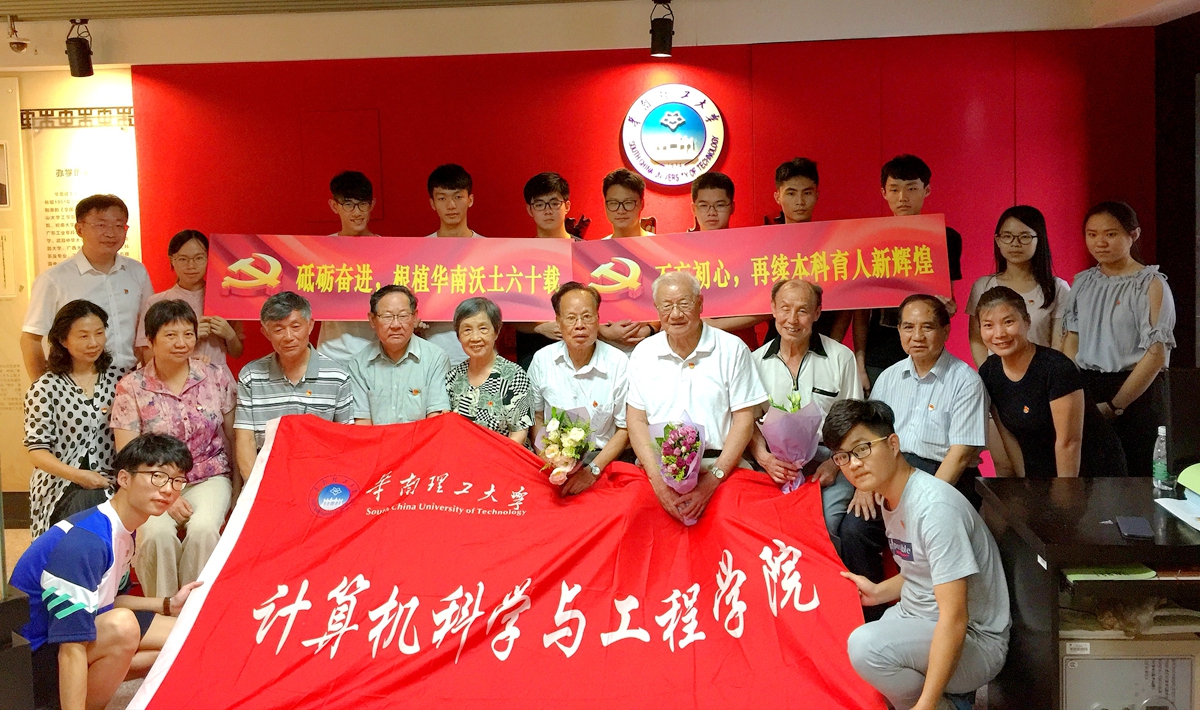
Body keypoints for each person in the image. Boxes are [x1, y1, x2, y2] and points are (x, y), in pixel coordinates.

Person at [829, 400, 1009, 710]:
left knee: (866, 648)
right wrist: (878, 592)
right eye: (843, 457)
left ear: (893, 444)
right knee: (851, 650)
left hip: (974, 640)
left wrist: (925, 703)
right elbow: (922, 571)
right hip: (920, 617)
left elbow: (955, 617)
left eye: (862, 449)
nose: (854, 464)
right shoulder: (892, 496)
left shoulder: (934, 509)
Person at [10, 433, 202, 710]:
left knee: (188, 636)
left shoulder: (122, 529)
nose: (168, 489)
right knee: (122, 627)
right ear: (124, 479)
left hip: (68, 637)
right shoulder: (86, 542)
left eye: (177, 480)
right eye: (157, 476)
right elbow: (71, 647)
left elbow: (109, 600)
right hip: (32, 663)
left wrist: (168, 604)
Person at [844, 295, 987, 610]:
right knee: (854, 528)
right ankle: (874, 614)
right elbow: (869, 438)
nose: (917, 336)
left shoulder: (966, 381)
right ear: (898, 331)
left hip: (943, 477)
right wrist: (865, 484)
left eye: (927, 327)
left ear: (945, 331)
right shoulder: (888, 377)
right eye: (908, 327)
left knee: (926, 530)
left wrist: (923, 502)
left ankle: (930, 613)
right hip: (891, 473)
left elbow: (960, 455)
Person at [110, 300, 236, 598]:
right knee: (157, 536)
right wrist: (168, 495)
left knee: (204, 530)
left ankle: (195, 609)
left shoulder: (215, 376)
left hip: (208, 475)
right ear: (150, 340)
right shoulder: (132, 386)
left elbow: (233, 435)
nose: (181, 343)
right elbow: (129, 453)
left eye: (188, 334)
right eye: (170, 335)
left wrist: (239, 488)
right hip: (153, 481)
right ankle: (164, 610)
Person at [626, 271, 768, 523]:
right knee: (634, 518)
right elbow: (636, 420)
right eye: (667, 306)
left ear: (700, 304)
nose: (676, 314)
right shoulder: (643, 353)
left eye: (684, 304)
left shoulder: (732, 349)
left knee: (735, 520)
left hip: (720, 467)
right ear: (656, 309)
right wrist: (658, 482)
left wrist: (712, 482)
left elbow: (744, 420)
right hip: (657, 471)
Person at [749, 279, 863, 559]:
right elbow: (746, 422)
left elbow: (855, 423)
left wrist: (835, 463)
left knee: (825, 523)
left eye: (802, 310)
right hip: (772, 463)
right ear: (773, 309)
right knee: (761, 523)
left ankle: (829, 583)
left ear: (817, 312)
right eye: (785, 308)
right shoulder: (754, 362)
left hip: (829, 461)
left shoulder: (841, 358)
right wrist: (764, 458)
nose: (792, 319)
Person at [1064, 201, 1176, 478]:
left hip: (1137, 393)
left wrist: (1116, 406)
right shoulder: (1083, 282)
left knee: (1136, 479)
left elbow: (1156, 354)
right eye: (1092, 234)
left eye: (1111, 234)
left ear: (1133, 234)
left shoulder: (1151, 284)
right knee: (1090, 481)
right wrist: (1073, 391)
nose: (1100, 242)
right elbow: (1071, 339)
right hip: (1088, 389)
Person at [977, 286, 1126, 478]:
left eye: (1008, 322)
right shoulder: (989, 372)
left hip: (1092, 473)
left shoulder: (1056, 368)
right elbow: (1008, 435)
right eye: (988, 325)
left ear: (1027, 321)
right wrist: (1025, 482)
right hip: (1041, 472)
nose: (999, 334)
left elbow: (1069, 443)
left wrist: (1065, 492)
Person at [853, 155, 964, 392]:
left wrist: (949, 307)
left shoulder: (947, 239)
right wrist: (859, 364)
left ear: (927, 190)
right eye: (894, 189)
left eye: (911, 188)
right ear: (884, 192)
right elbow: (861, 311)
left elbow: (947, 300)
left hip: (927, 349)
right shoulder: (870, 239)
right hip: (879, 353)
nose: (902, 197)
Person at [21, 194, 152, 379]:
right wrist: (43, 387)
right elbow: (31, 339)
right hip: (76, 381)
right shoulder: (53, 279)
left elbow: (149, 330)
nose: (111, 233)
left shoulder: (137, 272)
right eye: (101, 225)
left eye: (118, 225)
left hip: (130, 379)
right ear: (79, 229)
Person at [25, 300, 121, 538]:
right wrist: (79, 475)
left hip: (113, 480)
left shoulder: (121, 379)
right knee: (89, 510)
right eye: (83, 335)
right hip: (61, 484)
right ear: (63, 340)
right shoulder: (45, 388)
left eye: (99, 333)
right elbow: (37, 452)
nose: (94, 343)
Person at [234, 292, 354, 478]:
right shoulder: (251, 377)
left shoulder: (337, 376)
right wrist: (256, 488)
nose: (288, 337)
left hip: (320, 476)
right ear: (266, 333)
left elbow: (346, 440)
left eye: (295, 327)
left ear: (310, 325)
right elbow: (245, 441)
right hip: (267, 475)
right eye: (278, 329)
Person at [527, 282, 630, 495]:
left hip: (603, 462)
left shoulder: (618, 363)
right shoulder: (542, 360)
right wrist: (547, 458)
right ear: (558, 321)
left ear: (598, 319)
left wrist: (593, 471)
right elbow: (537, 416)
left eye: (587, 316)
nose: (580, 325)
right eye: (571, 318)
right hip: (553, 461)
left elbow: (624, 429)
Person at [967, 206, 1069, 365]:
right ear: (997, 240)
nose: (1015, 243)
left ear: (1039, 240)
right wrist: (988, 374)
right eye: (1007, 236)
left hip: (1042, 374)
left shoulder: (1058, 288)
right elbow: (977, 340)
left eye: (1024, 237)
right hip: (997, 376)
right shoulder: (982, 286)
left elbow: (1059, 344)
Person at [764, 158, 849, 344]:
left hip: (823, 340)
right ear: (777, 196)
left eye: (807, 193)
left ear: (817, 195)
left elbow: (847, 304)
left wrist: (832, 346)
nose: (800, 201)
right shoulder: (765, 246)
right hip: (778, 341)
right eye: (791, 193)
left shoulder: (834, 243)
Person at [136, 230, 244, 375]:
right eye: (183, 259)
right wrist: (189, 336)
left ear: (208, 258)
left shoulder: (224, 297)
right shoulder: (157, 302)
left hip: (219, 378)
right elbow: (148, 356)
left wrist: (230, 335)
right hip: (175, 377)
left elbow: (237, 352)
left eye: (199, 258)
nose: (191, 265)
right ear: (172, 260)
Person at [347, 285, 450, 425]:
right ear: (372, 320)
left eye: (403, 316)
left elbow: (435, 420)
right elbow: (362, 423)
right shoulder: (359, 364)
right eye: (387, 316)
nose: (395, 325)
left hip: (421, 439)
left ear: (414, 317)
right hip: (376, 439)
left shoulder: (435, 358)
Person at [690, 172, 769, 345]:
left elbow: (767, 306)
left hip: (741, 343)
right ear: (693, 208)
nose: (712, 212)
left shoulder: (752, 249)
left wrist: (715, 325)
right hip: (693, 344)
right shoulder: (678, 251)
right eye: (704, 205)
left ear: (732, 207)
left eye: (720, 205)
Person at [445, 297, 533, 443]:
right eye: (467, 330)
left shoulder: (514, 376)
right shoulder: (453, 377)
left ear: (496, 332)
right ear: (458, 336)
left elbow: (519, 434)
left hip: (505, 455)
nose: (475, 337)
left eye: (483, 329)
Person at [422, 164, 484, 366]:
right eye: (442, 198)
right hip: (432, 357)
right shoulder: (418, 251)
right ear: (432, 203)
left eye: (458, 197)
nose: (451, 205)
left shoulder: (490, 249)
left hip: (481, 357)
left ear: (470, 199)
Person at [317, 171, 381, 364]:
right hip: (331, 353)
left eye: (363, 204)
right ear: (334, 206)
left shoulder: (388, 249)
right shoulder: (320, 249)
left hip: (376, 353)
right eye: (348, 205)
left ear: (372, 205)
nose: (357, 212)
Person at [515, 172, 577, 369]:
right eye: (540, 204)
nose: (548, 211)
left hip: (579, 349)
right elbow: (508, 314)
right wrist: (540, 327)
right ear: (529, 209)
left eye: (554, 203)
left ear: (567, 206)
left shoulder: (585, 252)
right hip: (532, 352)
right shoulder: (517, 255)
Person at [598, 168, 656, 353]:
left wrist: (650, 328)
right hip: (606, 348)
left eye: (628, 203)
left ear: (641, 204)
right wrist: (603, 331)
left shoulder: (659, 248)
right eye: (613, 203)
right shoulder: (593, 251)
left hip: (652, 345)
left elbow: (671, 299)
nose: (621, 210)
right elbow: (586, 304)